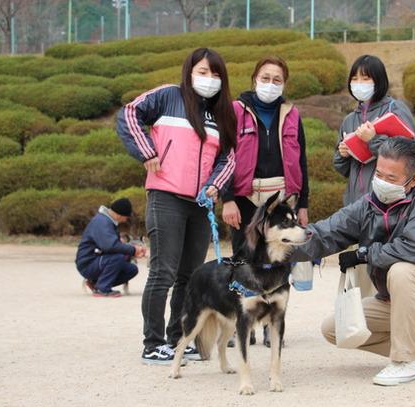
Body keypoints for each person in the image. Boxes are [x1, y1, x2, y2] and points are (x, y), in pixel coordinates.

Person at [290, 137, 415, 386]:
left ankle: (405, 362)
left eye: (391, 178)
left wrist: (365, 254)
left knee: (402, 270)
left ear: (414, 180)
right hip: (395, 301)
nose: (382, 182)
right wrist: (277, 249)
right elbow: (326, 232)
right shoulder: (369, 203)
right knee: (335, 329)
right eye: (379, 174)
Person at [117, 48, 237, 365]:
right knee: (163, 273)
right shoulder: (168, 96)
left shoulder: (221, 114)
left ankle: (178, 339)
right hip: (166, 196)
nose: (208, 79)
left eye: (215, 74)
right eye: (202, 71)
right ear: (189, 72)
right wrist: (146, 151)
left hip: (199, 204)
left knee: (190, 276)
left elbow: (229, 157)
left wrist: (214, 185)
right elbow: (129, 114)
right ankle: (152, 343)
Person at [220, 56, 310, 347]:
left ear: (284, 83)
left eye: (277, 79)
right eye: (265, 78)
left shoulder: (292, 114)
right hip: (245, 198)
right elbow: (225, 157)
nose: (270, 84)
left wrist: (303, 203)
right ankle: (241, 324)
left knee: (279, 260)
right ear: (254, 79)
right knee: (243, 259)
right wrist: (228, 198)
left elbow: (302, 160)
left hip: (281, 200)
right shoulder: (235, 111)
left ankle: (274, 325)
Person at [333, 54, 415, 299]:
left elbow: (408, 156)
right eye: (355, 78)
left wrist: (373, 141)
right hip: (357, 205)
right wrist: (342, 153)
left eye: (366, 77)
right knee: (357, 270)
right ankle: (360, 326)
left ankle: (395, 323)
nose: (359, 83)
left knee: (384, 268)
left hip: (388, 206)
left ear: (379, 80)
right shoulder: (350, 119)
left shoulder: (395, 110)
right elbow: (343, 169)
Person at [75, 198, 145, 298]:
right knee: (118, 257)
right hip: (88, 263)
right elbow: (110, 246)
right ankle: (102, 288)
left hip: (98, 260)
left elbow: (112, 246)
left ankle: (95, 283)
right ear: (119, 215)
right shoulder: (102, 222)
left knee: (131, 269)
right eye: (126, 217)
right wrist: (133, 250)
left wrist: (131, 252)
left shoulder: (106, 221)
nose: (126, 220)